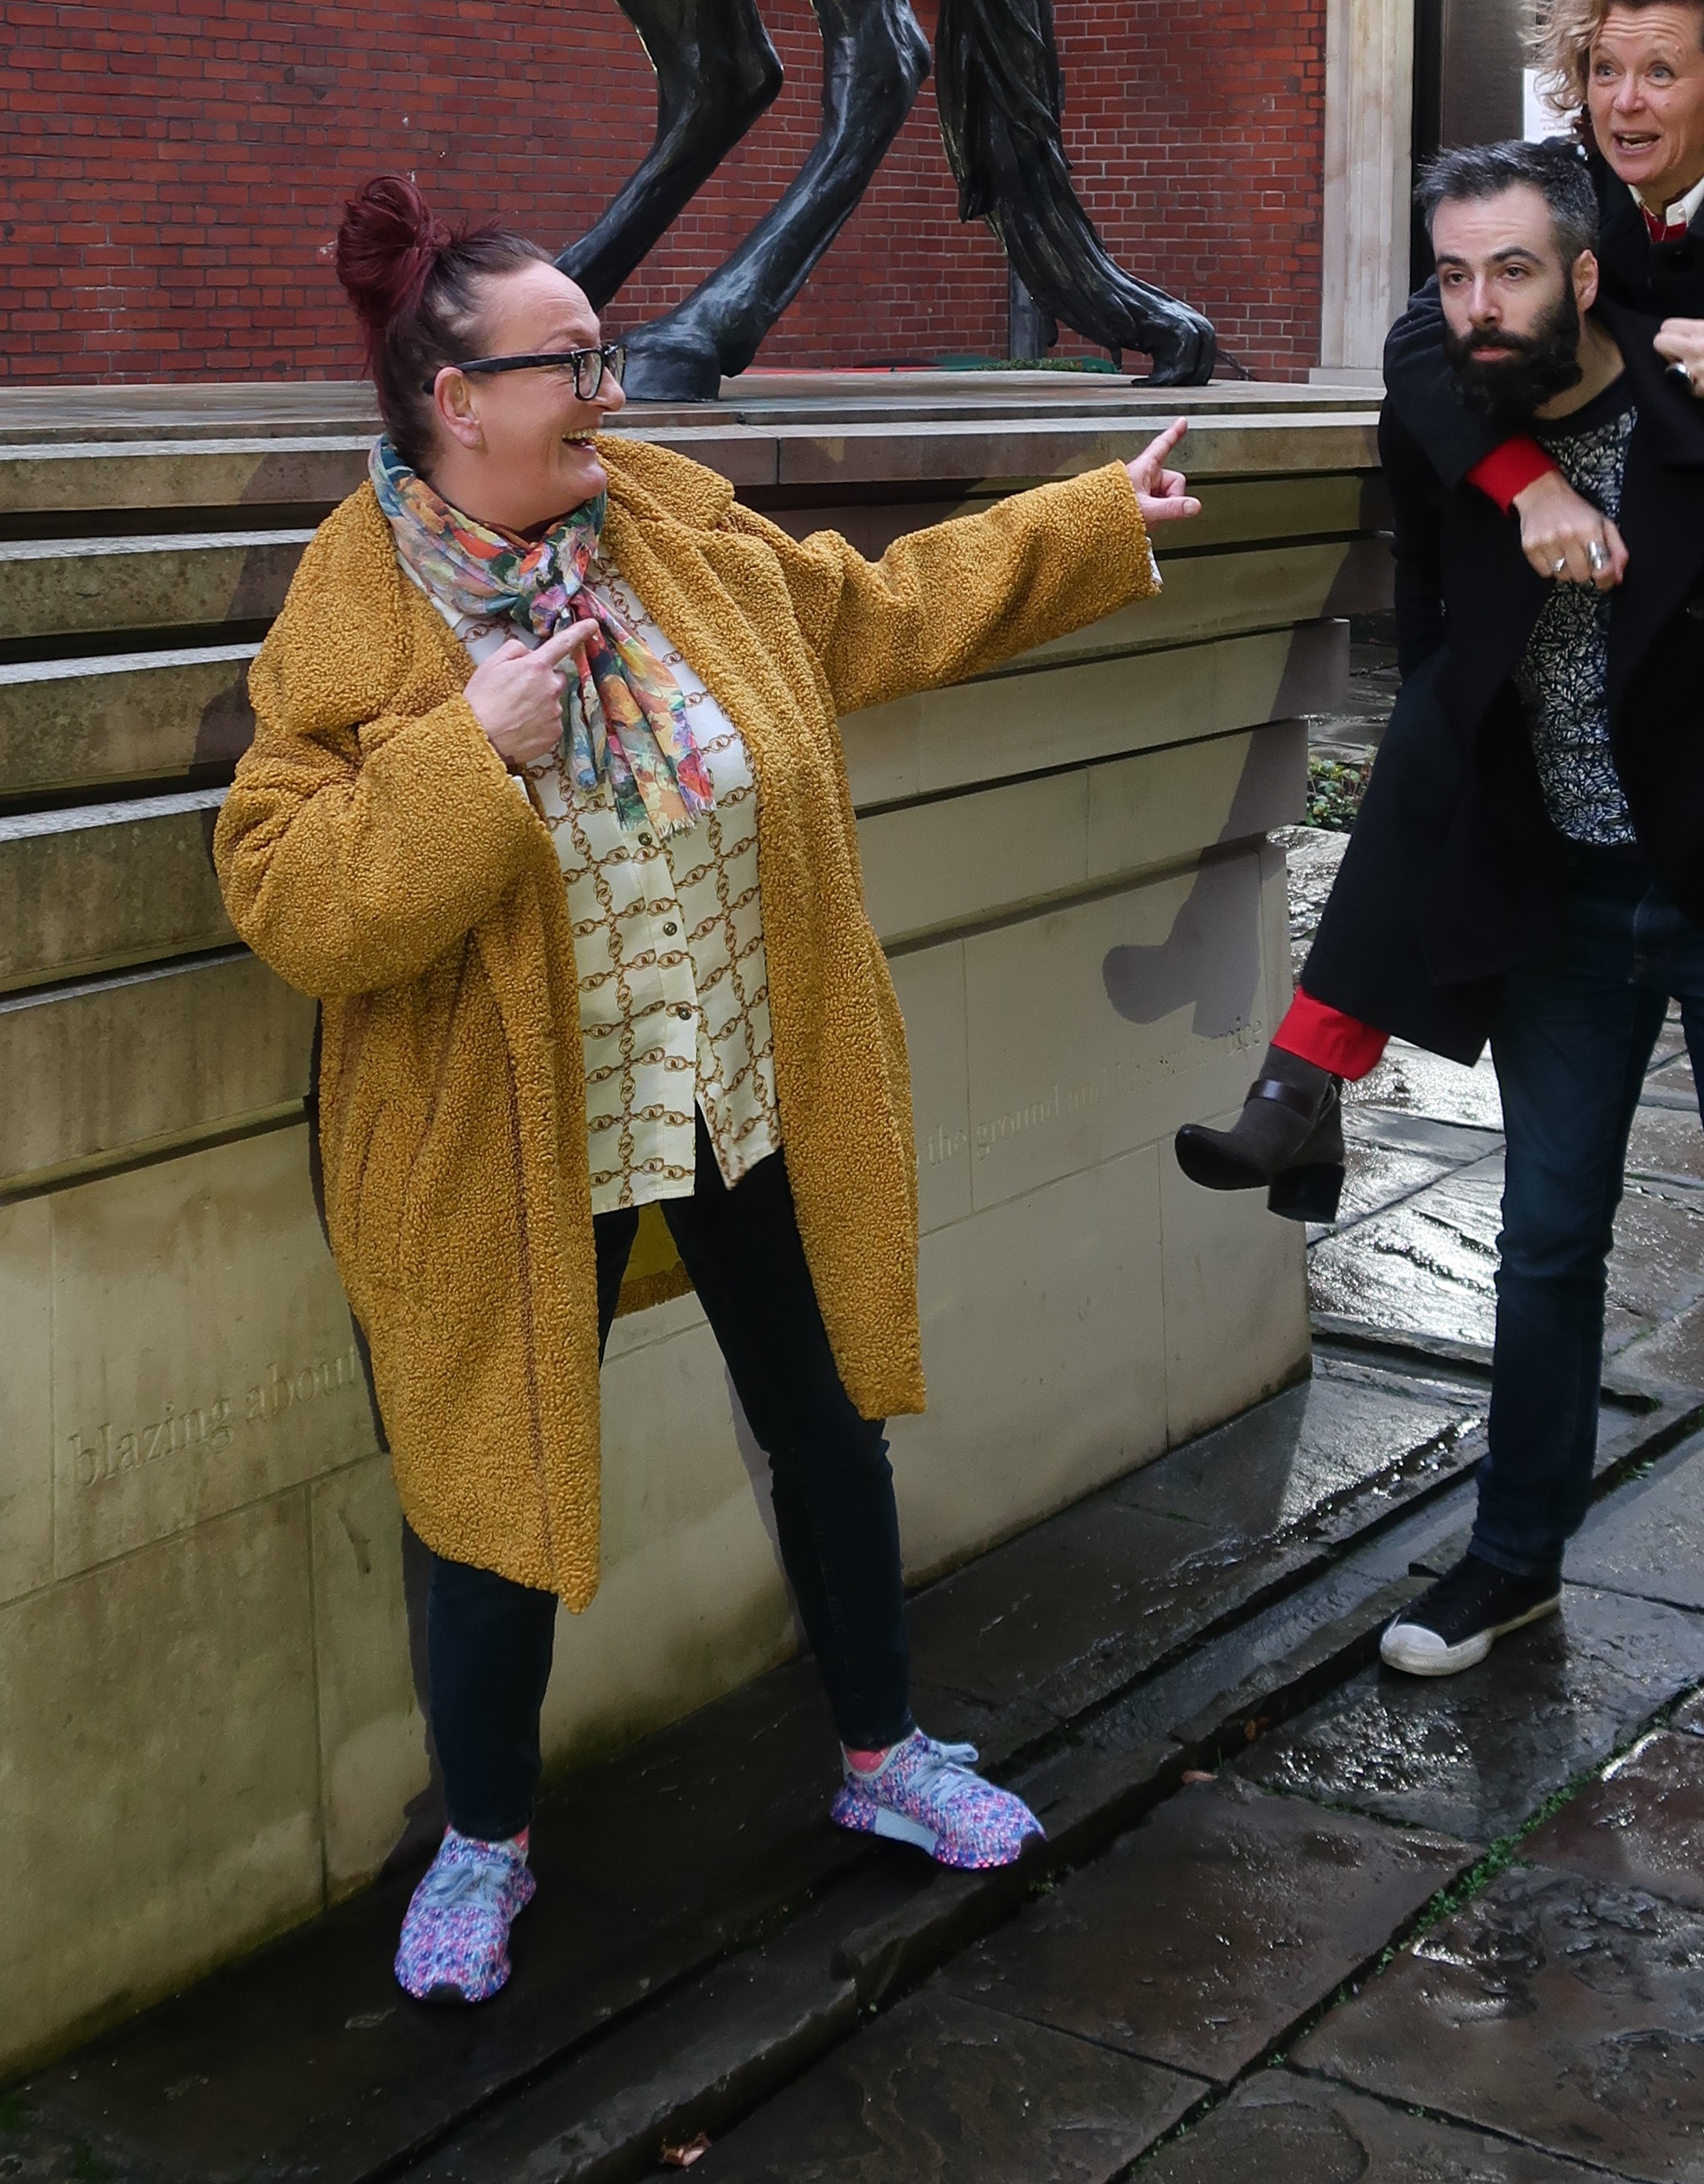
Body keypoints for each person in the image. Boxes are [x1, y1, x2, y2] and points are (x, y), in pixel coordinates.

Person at [217, 173, 1203, 2005]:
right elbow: (291, 899)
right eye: (571, 361)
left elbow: (867, 620)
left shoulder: (662, 522)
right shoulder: (358, 614)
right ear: (459, 397)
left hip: (737, 1075)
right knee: (489, 1491)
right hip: (516, 1136)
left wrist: (1088, 524)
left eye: (604, 350)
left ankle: (885, 1758)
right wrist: (467, 754)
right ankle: (484, 1845)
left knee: (825, 1419)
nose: (612, 384)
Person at [1230, 138, 1704, 1756]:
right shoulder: (1460, 410)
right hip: (1565, 891)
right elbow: (1423, 485)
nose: (1479, 305)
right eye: (1454, 273)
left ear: (1589, 274)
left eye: (1516, 271)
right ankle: (1515, 1558)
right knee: (1543, 1248)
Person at [1182, 0, 1704, 1278]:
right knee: (1444, 732)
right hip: (1643, 593)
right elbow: (1423, 345)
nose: (1624, 98)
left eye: (1658, 68)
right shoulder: (1565, 200)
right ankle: (1301, 1084)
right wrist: (1520, 479)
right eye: (1601, 69)